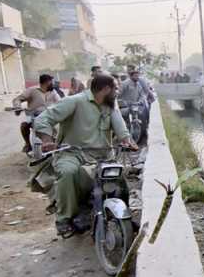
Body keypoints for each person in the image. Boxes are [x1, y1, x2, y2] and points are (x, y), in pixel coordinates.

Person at [34, 74, 137, 237]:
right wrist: (46, 140)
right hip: (73, 153)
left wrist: (126, 140)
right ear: (105, 89)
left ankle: (123, 215)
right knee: (68, 173)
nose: (118, 91)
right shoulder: (74, 101)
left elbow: (119, 125)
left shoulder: (110, 105)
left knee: (119, 179)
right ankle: (64, 218)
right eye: (115, 88)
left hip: (103, 155)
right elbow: (42, 120)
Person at [12, 74, 60, 153]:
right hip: (33, 116)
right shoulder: (32, 90)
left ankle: (57, 145)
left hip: (49, 116)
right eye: (51, 82)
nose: (53, 84)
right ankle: (28, 144)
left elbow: (60, 102)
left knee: (60, 127)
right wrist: (17, 107)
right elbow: (17, 99)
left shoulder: (53, 92)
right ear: (46, 82)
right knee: (24, 125)